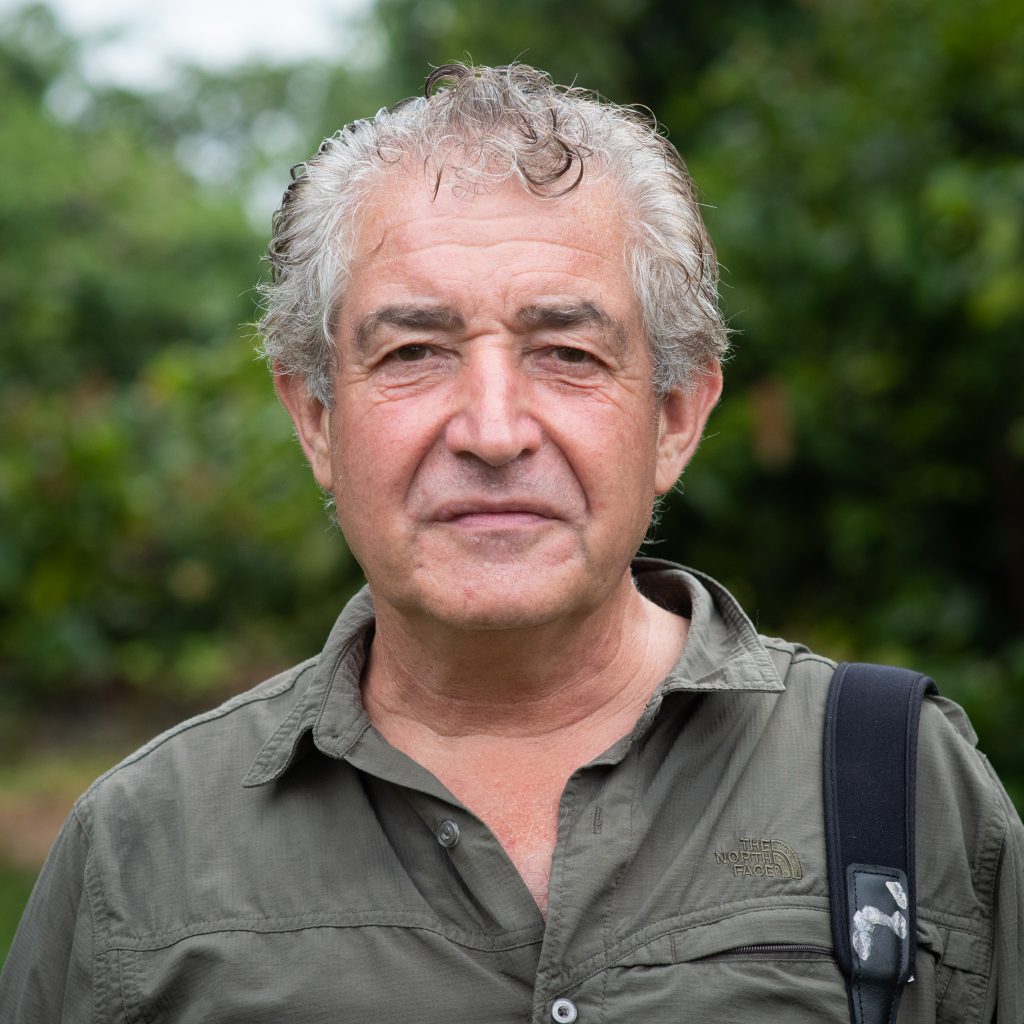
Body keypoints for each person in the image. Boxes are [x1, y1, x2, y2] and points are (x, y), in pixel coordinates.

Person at [1, 62, 1021, 1023]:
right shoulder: (140, 848)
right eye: (414, 352)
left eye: (567, 353)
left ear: (673, 416)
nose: (492, 431)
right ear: (315, 416)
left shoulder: (895, 785)